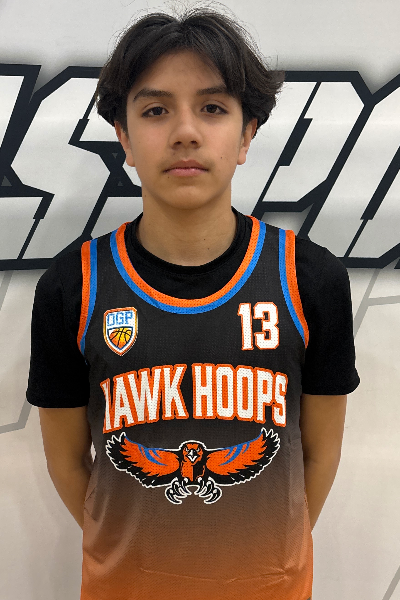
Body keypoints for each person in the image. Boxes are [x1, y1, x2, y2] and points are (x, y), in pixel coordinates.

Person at [26, 6, 360, 600]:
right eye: (156, 110)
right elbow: (69, 463)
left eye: (212, 108)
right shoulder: (71, 287)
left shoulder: (310, 280)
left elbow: (319, 452)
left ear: (247, 134)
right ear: (124, 138)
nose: (185, 131)